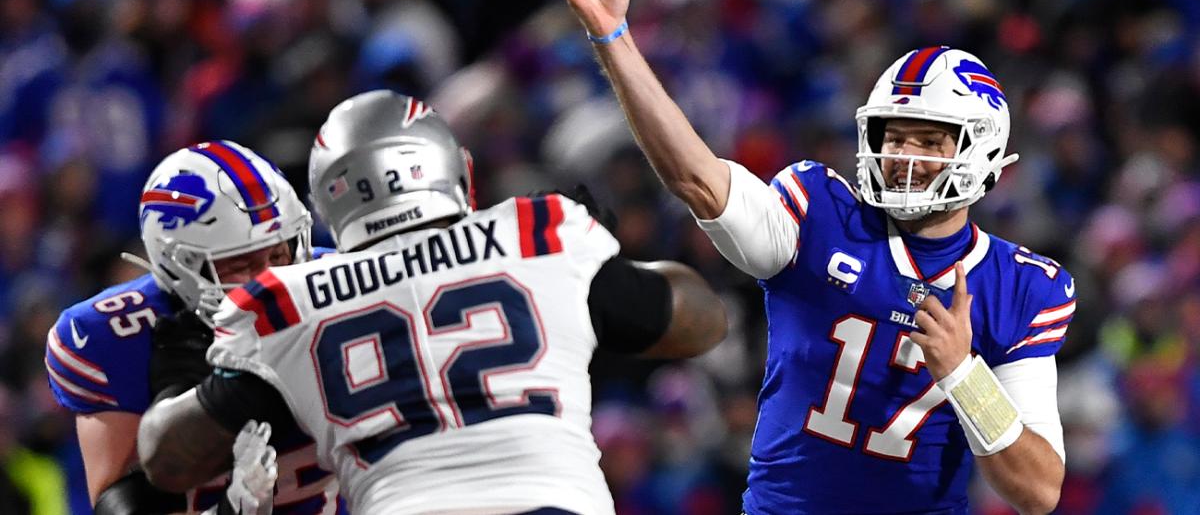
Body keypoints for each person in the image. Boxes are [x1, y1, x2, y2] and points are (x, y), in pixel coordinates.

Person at [545, 0, 1071, 515]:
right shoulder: (821, 214)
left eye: (928, 140)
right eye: (893, 136)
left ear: (982, 154)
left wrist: (965, 375)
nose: (903, 155)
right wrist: (612, 35)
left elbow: (1039, 491)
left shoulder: (1021, 287)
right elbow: (697, 179)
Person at [135, 90, 729, 514]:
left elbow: (168, 459)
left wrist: (178, 380)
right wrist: (599, 270)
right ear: (457, 172)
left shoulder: (288, 304)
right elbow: (701, 321)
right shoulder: (538, 239)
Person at [44, 140, 340, 513]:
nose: (271, 279)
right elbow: (119, 504)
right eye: (241, 264)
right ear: (180, 265)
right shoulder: (114, 334)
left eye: (280, 252)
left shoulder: (339, 287)